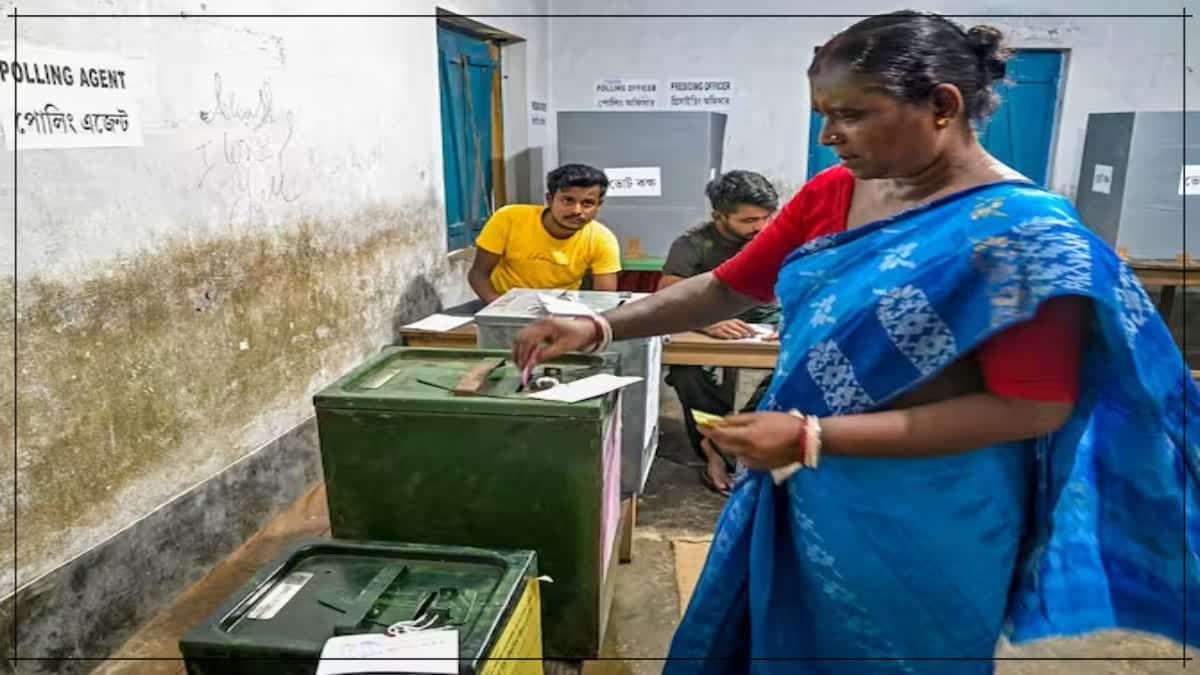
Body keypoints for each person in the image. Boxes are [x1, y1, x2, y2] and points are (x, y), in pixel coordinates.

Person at [512, 11, 1199, 673]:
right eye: (823, 115)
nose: (829, 135)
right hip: (801, 477)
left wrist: (815, 437)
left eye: (851, 114)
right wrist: (600, 324)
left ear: (942, 104)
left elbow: (1032, 408)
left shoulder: (1023, 235)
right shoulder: (834, 192)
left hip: (926, 507)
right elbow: (727, 287)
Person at [660, 170, 782, 495]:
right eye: (749, 220)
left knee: (795, 366)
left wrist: (794, 321)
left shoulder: (778, 236)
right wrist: (706, 322)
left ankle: (725, 445)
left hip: (767, 322)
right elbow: (668, 293)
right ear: (719, 216)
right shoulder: (693, 243)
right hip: (711, 322)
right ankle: (721, 447)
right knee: (686, 373)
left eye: (766, 218)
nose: (760, 227)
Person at [466, 163, 622, 309]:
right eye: (568, 200)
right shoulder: (509, 218)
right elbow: (478, 274)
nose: (576, 210)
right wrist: (499, 308)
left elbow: (604, 298)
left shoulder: (602, 239)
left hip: (562, 310)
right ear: (549, 199)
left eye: (587, 203)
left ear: (598, 206)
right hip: (502, 302)